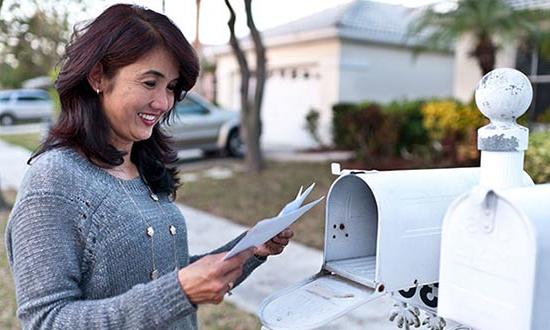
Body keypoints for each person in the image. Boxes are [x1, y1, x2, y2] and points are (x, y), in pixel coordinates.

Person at [4, 4, 293, 329]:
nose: (164, 102)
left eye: (170, 87)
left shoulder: (142, 164)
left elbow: (162, 277)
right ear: (98, 76)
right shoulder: (54, 180)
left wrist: (248, 250)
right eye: (149, 83)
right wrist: (179, 291)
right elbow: (46, 320)